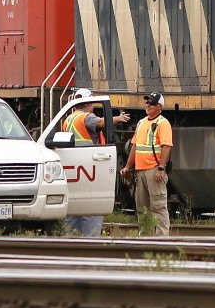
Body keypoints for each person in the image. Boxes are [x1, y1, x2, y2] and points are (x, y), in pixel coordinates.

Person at [62, 88, 130, 237]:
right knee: (92, 207)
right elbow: (100, 122)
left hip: (74, 166)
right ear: (88, 103)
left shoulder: (69, 119)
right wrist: (117, 119)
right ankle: (90, 242)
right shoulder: (85, 117)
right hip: (89, 166)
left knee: (73, 210)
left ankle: (70, 243)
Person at [122, 92, 172, 236]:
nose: (148, 105)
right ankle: (145, 239)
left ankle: (162, 241)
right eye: (147, 102)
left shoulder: (163, 123)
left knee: (158, 207)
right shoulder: (141, 123)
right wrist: (127, 167)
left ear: (159, 107)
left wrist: (161, 168)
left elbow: (166, 146)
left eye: (151, 103)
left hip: (154, 170)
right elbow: (134, 146)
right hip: (141, 171)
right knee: (143, 209)